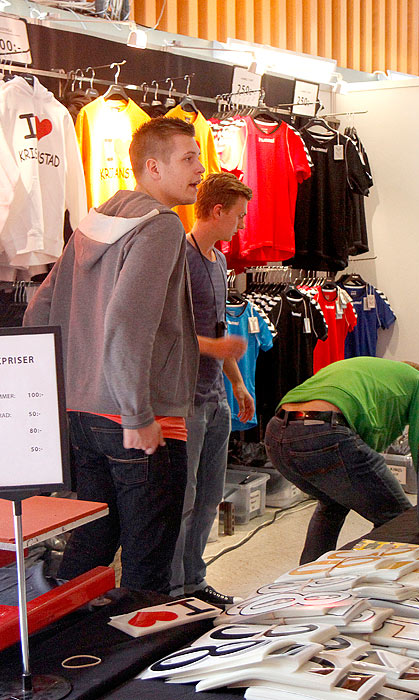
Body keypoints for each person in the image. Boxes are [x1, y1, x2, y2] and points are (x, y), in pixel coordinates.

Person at [23, 117, 204, 593]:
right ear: (153, 167)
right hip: (141, 419)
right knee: (148, 558)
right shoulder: (161, 226)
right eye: (188, 158)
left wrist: (60, 387)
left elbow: (39, 309)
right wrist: (136, 412)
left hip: (82, 413)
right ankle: (139, 659)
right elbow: (127, 321)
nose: (201, 169)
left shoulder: (93, 221)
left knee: (91, 543)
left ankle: (72, 648)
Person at [170, 172, 256, 605]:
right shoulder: (177, 258)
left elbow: (218, 328)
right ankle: (171, 589)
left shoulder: (220, 263)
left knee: (208, 497)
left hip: (216, 396)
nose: (241, 225)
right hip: (183, 399)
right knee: (183, 500)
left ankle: (194, 581)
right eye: (238, 216)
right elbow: (167, 334)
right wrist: (217, 348)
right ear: (217, 210)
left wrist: (238, 382)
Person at [264, 357, 419, 564]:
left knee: (333, 504)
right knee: (398, 520)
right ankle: (367, 579)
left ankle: (309, 580)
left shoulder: (370, 373)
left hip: (276, 433)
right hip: (323, 430)